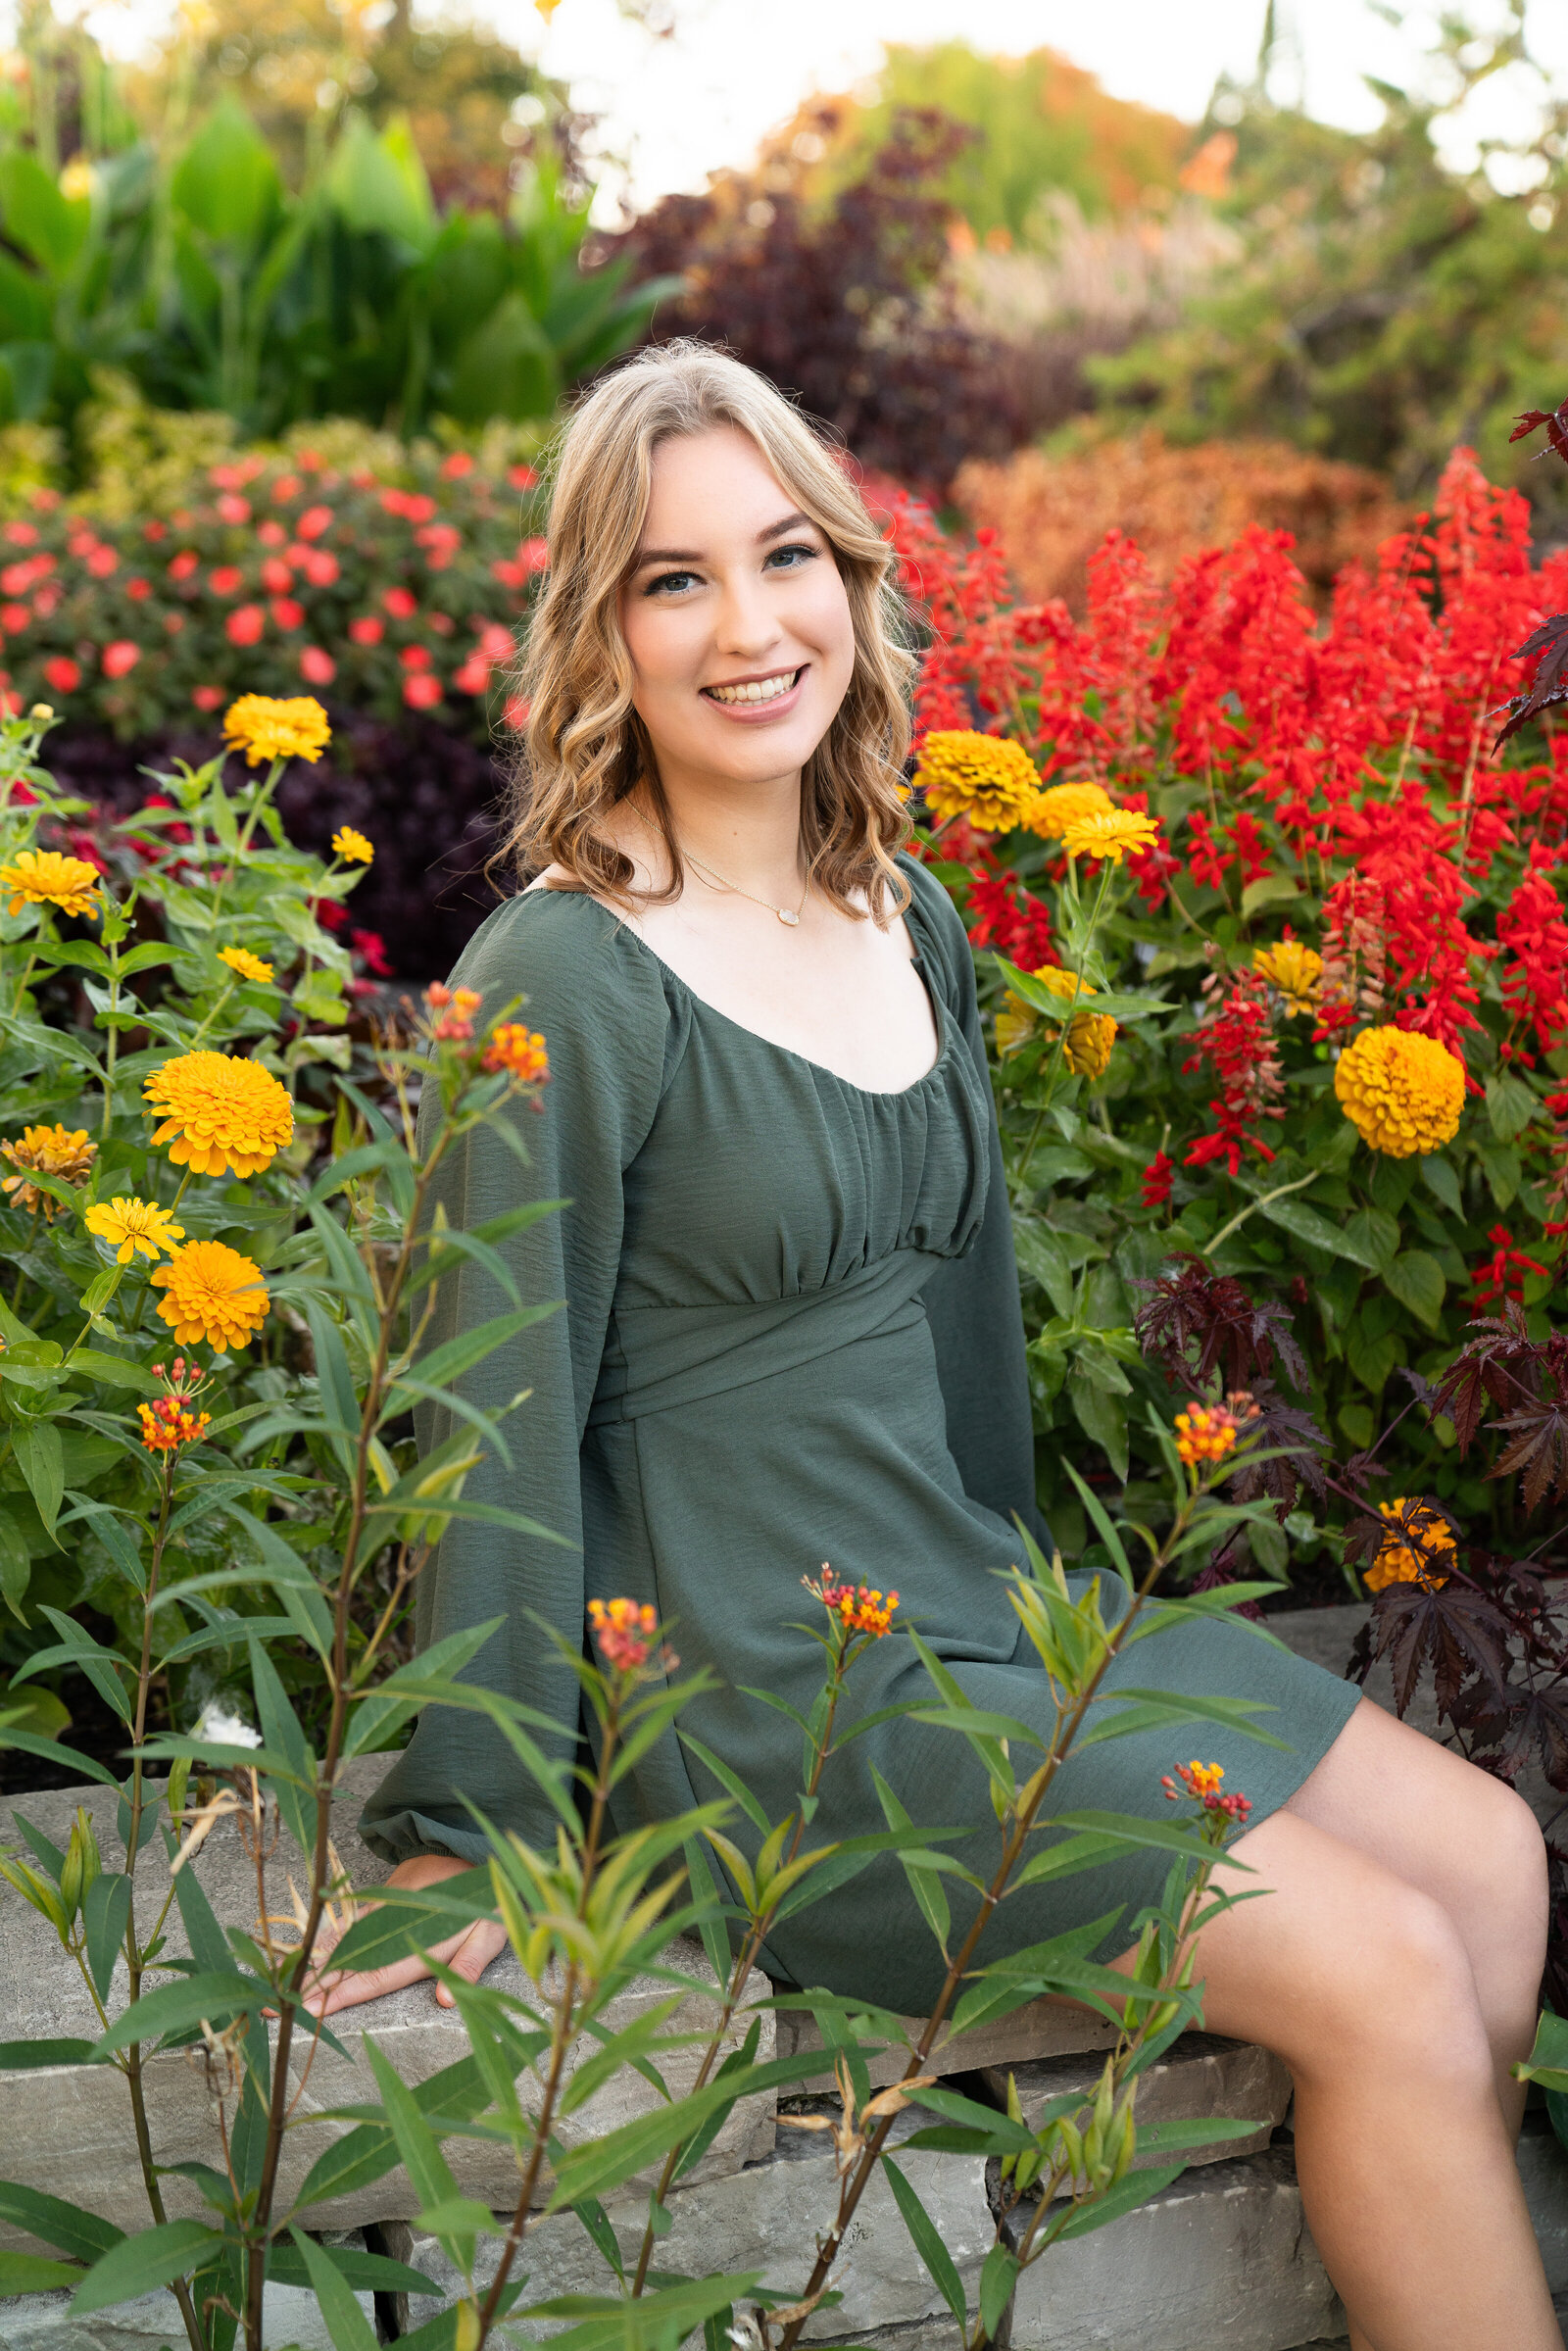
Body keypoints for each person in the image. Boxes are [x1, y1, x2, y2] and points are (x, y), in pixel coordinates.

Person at [325, 343, 1551, 2351]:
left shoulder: (897, 910)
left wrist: (1045, 1621)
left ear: (848, 578)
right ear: (596, 632)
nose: (746, 626)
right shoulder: (559, 968)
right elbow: (486, 1405)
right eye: (670, 581)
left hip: (966, 1612)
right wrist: (476, 1827)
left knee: (1489, 1867)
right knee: (1385, 1971)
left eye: (781, 555)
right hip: (755, 1708)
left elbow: (961, 1336)